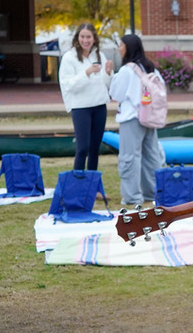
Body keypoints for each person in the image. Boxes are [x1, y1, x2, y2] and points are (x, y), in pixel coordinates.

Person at [108, 34, 166, 206]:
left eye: (121, 45)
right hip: (150, 116)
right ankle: (153, 192)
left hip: (131, 118)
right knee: (152, 155)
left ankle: (132, 196)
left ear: (128, 48)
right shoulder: (150, 68)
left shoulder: (127, 70)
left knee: (129, 157)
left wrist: (110, 75)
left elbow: (115, 94)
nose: (119, 49)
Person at [59, 23, 113, 171]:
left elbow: (105, 84)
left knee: (95, 149)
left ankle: (93, 187)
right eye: (82, 36)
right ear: (77, 38)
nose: (85, 40)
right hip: (80, 108)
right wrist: (86, 73)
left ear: (94, 39)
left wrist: (108, 73)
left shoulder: (99, 55)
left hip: (99, 106)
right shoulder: (69, 58)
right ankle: (78, 187)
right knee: (83, 148)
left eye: (88, 37)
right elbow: (68, 85)